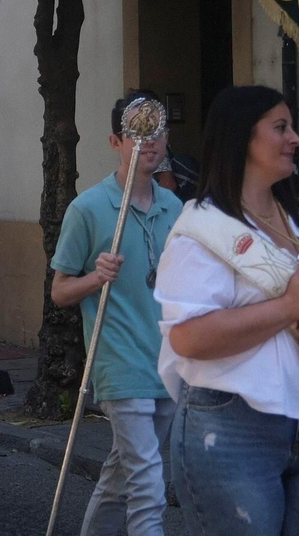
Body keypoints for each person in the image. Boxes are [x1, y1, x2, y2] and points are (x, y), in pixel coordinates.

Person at [156, 86, 299, 536]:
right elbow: (189, 338)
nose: (295, 138)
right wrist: (286, 309)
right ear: (242, 139)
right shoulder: (200, 229)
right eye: (280, 128)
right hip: (233, 430)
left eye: (292, 127)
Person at [50, 91, 181, 536]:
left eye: (157, 130)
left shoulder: (175, 208)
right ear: (115, 141)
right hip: (117, 362)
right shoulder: (87, 208)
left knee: (123, 473)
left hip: (166, 360)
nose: (150, 141)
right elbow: (60, 291)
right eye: (137, 132)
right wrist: (94, 277)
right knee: (148, 482)